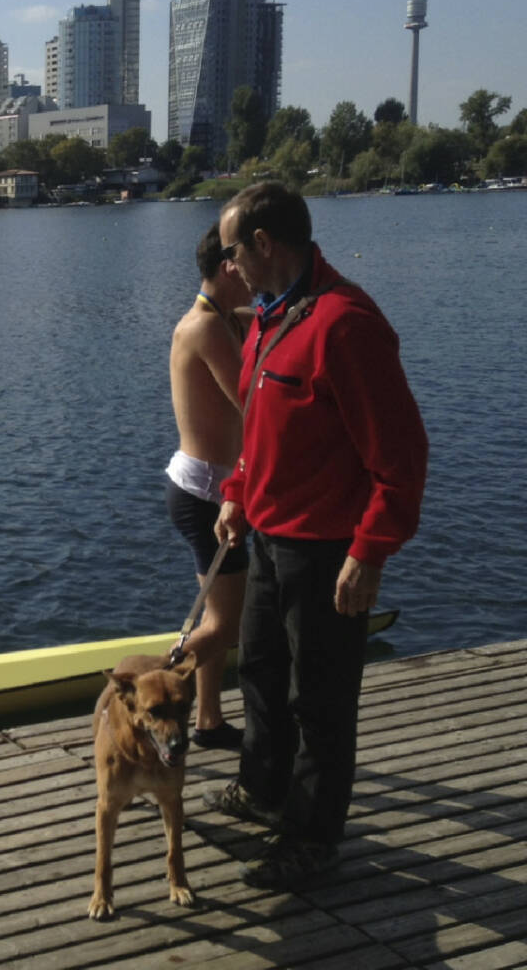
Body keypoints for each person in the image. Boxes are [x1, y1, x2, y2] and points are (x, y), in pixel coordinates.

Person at [205, 183, 428, 890]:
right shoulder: (271, 317)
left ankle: (312, 837)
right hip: (268, 538)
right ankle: (264, 789)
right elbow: (260, 431)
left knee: (322, 701)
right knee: (261, 674)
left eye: (233, 250)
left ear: (265, 244)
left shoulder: (345, 324)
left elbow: (401, 457)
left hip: (328, 550)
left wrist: (369, 552)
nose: (228, 264)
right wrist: (238, 495)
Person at [165, 223, 254, 749]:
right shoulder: (206, 328)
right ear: (227, 268)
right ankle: (141, 686)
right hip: (205, 495)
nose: (253, 279)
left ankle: (208, 721)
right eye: (245, 267)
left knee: (218, 614)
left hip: (203, 488)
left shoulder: (223, 319)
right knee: (227, 625)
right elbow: (253, 402)